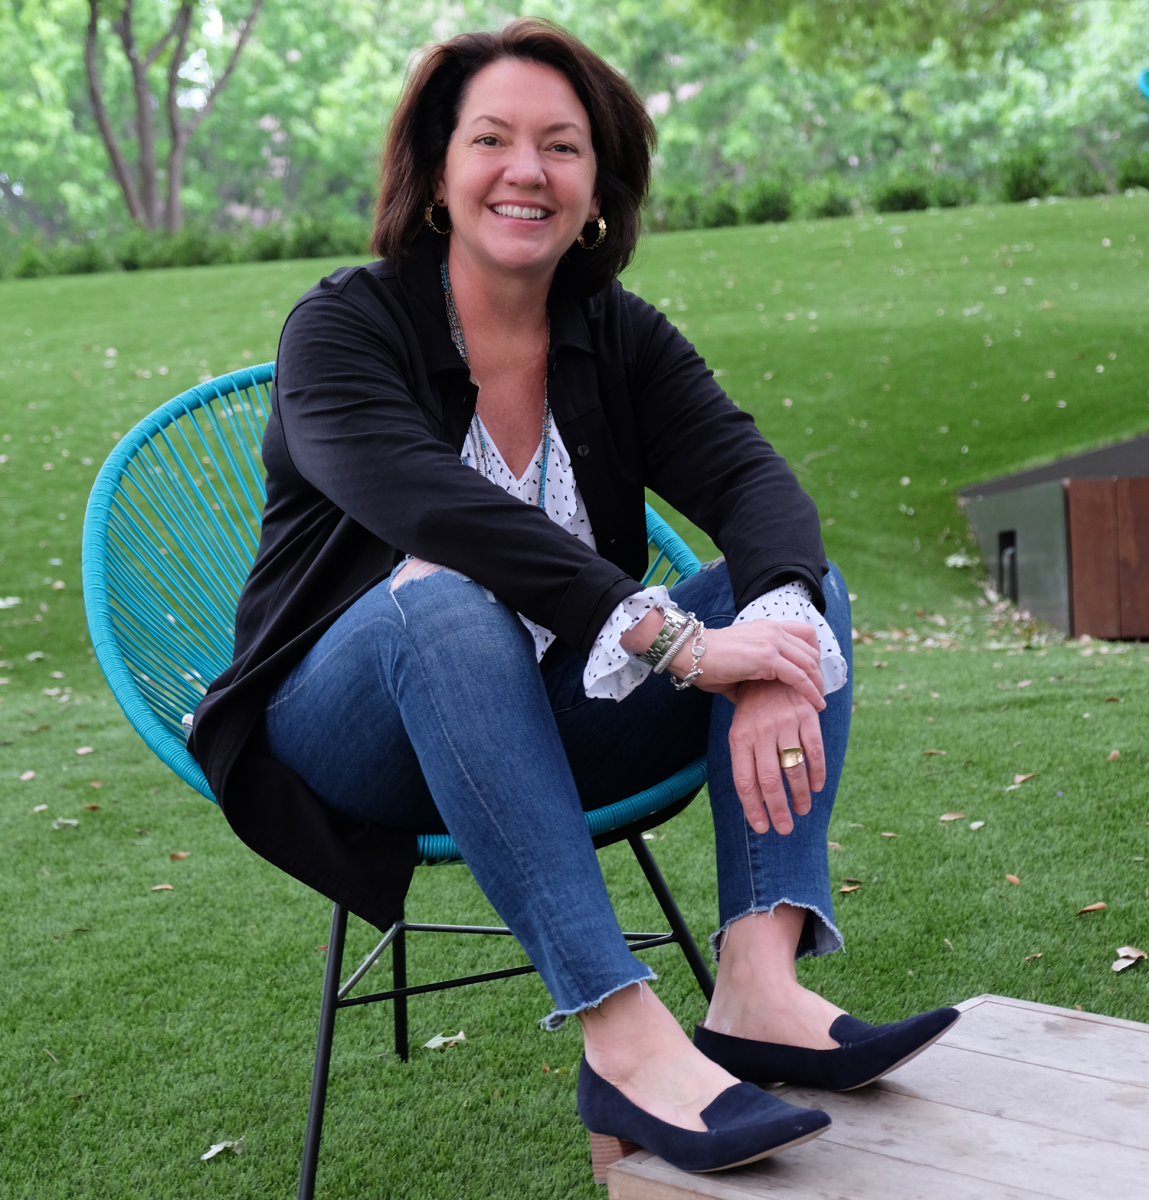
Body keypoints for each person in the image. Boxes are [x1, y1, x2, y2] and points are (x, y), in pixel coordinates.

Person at [189, 17, 958, 1179]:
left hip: (551, 713)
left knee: (801, 587)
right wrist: (681, 644)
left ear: (597, 185)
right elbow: (436, 513)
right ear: (439, 173)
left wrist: (768, 647)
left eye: (562, 145)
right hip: (344, 728)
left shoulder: (616, 334)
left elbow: (752, 482)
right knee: (443, 596)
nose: (526, 171)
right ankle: (622, 1035)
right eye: (492, 138)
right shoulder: (342, 329)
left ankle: (759, 987)